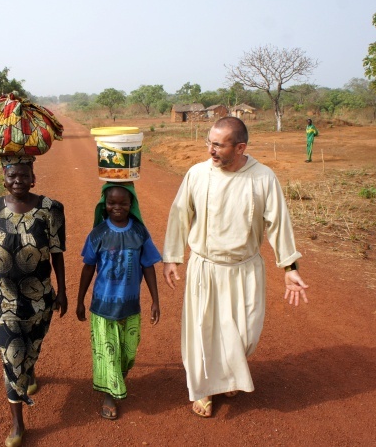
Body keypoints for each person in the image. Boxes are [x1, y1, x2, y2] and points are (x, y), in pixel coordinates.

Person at [162, 116, 309, 418]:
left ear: (240, 147)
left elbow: (279, 224)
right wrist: (173, 257)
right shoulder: (197, 174)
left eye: (218, 145)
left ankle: (229, 372)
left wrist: (290, 268)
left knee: (245, 334)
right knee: (203, 331)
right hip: (205, 267)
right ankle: (204, 389)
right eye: (209, 143)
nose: (210, 150)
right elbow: (179, 214)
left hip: (245, 269)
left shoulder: (263, 178)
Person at [0, 155, 67, 447]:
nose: (18, 182)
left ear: (33, 178)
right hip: (3, 296)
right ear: (4, 178)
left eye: (23, 176)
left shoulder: (51, 209)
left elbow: (57, 253)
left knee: (31, 346)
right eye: (12, 176)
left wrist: (62, 290)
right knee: (12, 357)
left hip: (39, 295)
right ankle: (17, 422)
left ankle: (30, 367)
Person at [76, 183, 161, 420]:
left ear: (131, 204)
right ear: (104, 204)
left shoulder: (140, 233)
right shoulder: (98, 234)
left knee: (128, 352)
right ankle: (109, 395)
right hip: (103, 306)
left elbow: (148, 267)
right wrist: (80, 300)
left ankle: (117, 380)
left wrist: (155, 300)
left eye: (123, 203)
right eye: (111, 203)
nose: (117, 207)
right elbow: (88, 268)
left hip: (130, 306)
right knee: (107, 352)